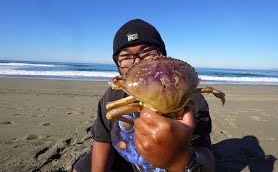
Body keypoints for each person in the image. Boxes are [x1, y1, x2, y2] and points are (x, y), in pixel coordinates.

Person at [73, 19, 215, 172]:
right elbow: (103, 139)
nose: (137, 61)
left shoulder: (190, 99)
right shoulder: (113, 96)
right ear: (118, 65)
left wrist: (180, 159)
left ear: (163, 58)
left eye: (147, 52)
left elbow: (205, 154)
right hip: (126, 159)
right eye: (126, 57)